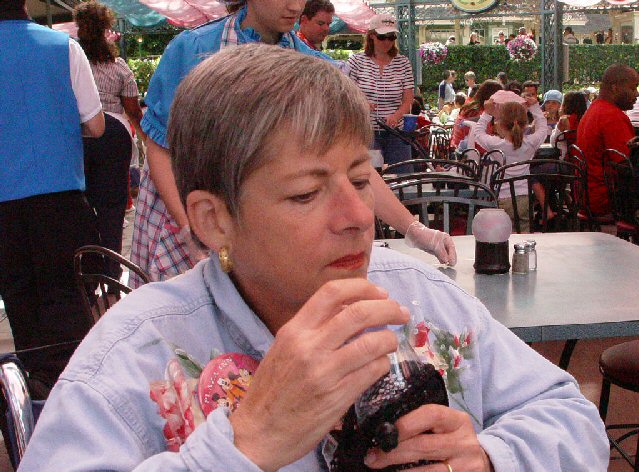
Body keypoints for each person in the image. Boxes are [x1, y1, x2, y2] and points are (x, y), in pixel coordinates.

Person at [0, 44, 610, 472]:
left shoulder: (419, 299)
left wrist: (491, 466)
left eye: (360, 178)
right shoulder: (141, 353)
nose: (356, 216)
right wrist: (245, 448)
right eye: (304, 194)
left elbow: (571, 419)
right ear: (214, 221)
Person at [132, 2, 456, 289]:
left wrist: (414, 230)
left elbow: (347, 169)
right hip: (188, 217)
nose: (293, 6)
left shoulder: (312, 67)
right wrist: (191, 226)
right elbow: (160, 149)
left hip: (263, 233)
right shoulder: (194, 50)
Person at [0, 0, 105, 391]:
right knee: (67, 292)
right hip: (60, 199)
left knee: (18, 294)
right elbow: (95, 125)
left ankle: (35, 386)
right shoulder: (64, 47)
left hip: (4, 207)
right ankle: (75, 387)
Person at [74, 1, 143, 279]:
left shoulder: (72, 64)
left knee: (81, 208)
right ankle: (111, 277)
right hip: (114, 139)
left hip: (78, 138)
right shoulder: (119, 68)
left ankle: (87, 276)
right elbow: (133, 110)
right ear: (106, 30)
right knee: (112, 210)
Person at [473, 92, 549, 231]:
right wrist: (535, 108)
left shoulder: (496, 145)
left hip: (502, 197)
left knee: (504, 233)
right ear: (525, 124)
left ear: (500, 125)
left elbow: (477, 133)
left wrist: (487, 113)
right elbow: (543, 129)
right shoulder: (531, 143)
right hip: (525, 197)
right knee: (524, 231)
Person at [348, 14, 415, 171]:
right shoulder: (356, 61)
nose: (387, 42)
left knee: (404, 177)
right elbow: (345, 93)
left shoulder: (403, 62)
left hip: (396, 132)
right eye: (382, 36)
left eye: (391, 37)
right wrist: (361, 103)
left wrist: (396, 116)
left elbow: (408, 99)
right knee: (368, 177)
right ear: (371, 36)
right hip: (366, 131)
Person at [576, 64, 638, 217]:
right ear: (615, 87)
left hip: (585, 196)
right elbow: (628, 165)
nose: (637, 94)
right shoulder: (612, 116)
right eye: (633, 88)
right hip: (607, 201)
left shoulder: (593, 110)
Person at [450, 79, 504, 150]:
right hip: (473, 155)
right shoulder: (485, 114)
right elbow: (487, 143)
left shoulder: (468, 108)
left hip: (455, 151)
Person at [550, 90, 587, 158]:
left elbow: (554, 142)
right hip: (585, 157)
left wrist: (560, 117)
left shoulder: (564, 120)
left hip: (570, 159)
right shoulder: (587, 119)